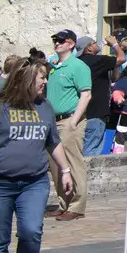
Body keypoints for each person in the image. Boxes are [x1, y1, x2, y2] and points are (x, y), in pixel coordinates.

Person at [0, 57, 69, 253]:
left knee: (31, 232)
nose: (45, 81)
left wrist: (65, 170)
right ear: (25, 78)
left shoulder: (45, 107)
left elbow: (52, 142)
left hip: (34, 182)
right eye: (41, 77)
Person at [43, 31, 92, 221]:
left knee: (72, 161)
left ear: (71, 44)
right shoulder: (53, 66)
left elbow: (85, 94)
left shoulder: (78, 66)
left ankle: (77, 205)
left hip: (69, 119)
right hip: (53, 120)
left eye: (61, 41)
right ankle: (64, 202)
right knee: (55, 163)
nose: (57, 43)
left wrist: (74, 120)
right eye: (55, 40)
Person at [78, 37, 114, 160]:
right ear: (89, 48)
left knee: (84, 147)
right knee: (92, 150)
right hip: (96, 113)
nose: (96, 44)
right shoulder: (97, 61)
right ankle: (86, 177)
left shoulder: (76, 62)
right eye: (94, 42)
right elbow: (121, 58)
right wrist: (114, 44)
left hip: (80, 114)